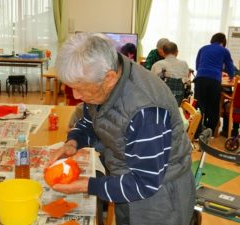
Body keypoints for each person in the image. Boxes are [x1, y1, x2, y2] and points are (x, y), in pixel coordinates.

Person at [50, 32, 195, 225]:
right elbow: (90, 119)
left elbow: (145, 182)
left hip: (159, 200)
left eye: (81, 88)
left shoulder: (145, 110)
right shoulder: (102, 79)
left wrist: (88, 185)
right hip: (124, 179)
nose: (76, 95)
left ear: (109, 78)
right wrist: (74, 141)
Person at [194, 32, 234, 135]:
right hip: (214, 80)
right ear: (223, 42)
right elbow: (230, 65)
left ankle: (197, 130)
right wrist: (231, 77)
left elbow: (197, 65)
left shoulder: (203, 48)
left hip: (200, 78)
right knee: (213, 106)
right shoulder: (224, 51)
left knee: (199, 104)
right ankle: (209, 130)